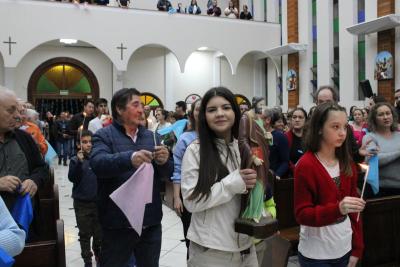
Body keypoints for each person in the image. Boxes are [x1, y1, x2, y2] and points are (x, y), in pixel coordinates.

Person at [90, 88, 173, 267]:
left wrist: (165, 161)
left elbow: (166, 175)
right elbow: (97, 164)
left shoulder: (152, 136)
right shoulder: (104, 136)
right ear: (119, 109)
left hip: (149, 222)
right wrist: (129, 158)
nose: (141, 110)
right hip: (117, 223)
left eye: (142, 106)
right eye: (136, 105)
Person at [181, 87, 258, 267]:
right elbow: (191, 201)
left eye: (226, 107)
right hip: (211, 251)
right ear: (203, 116)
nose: (220, 114)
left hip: (246, 246)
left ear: (235, 111)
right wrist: (232, 183)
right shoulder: (195, 151)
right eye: (212, 110)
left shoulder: (245, 148)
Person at [294, 102, 365, 267]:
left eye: (345, 126)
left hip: (345, 247)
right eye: (335, 127)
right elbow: (302, 214)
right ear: (319, 128)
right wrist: (338, 209)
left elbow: (355, 214)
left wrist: (357, 248)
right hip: (317, 253)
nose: (342, 133)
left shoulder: (346, 162)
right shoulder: (306, 165)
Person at [171, 99, 200, 259]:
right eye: (198, 109)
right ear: (192, 114)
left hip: (212, 193)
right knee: (191, 238)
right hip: (189, 194)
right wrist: (176, 197)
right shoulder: (185, 138)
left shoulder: (217, 135)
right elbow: (177, 169)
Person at [68, 130, 102, 267]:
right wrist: (79, 163)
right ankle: (87, 260)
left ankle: (98, 254)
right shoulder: (75, 160)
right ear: (79, 144)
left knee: (99, 233)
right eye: (85, 142)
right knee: (84, 233)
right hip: (82, 203)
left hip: (98, 202)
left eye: (91, 142)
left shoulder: (99, 158)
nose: (88, 145)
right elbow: (72, 178)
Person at [361, 103, 400, 197]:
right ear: (374, 119)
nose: (386, 117)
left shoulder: (399, 136)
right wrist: (398, 153)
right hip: (379, 190)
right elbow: (373, 161)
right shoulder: (370, 137)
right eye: (381, 114)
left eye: (388, 113)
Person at [285, 107, 307, 175]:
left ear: (306, 120)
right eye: (294, 117)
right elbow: (286, 160)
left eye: (300, 117)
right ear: (291, 120)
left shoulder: (310, 138)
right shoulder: (285, 137)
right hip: (291, 176)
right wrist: (296, 171)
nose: (297, 120)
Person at [269, 110, 289, 179]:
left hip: (275, 176)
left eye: (282, 122)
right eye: (279, 122)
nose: (282, 124)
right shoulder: (261, 135)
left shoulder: (280, 137)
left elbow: (285, 161)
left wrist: (277, 174)